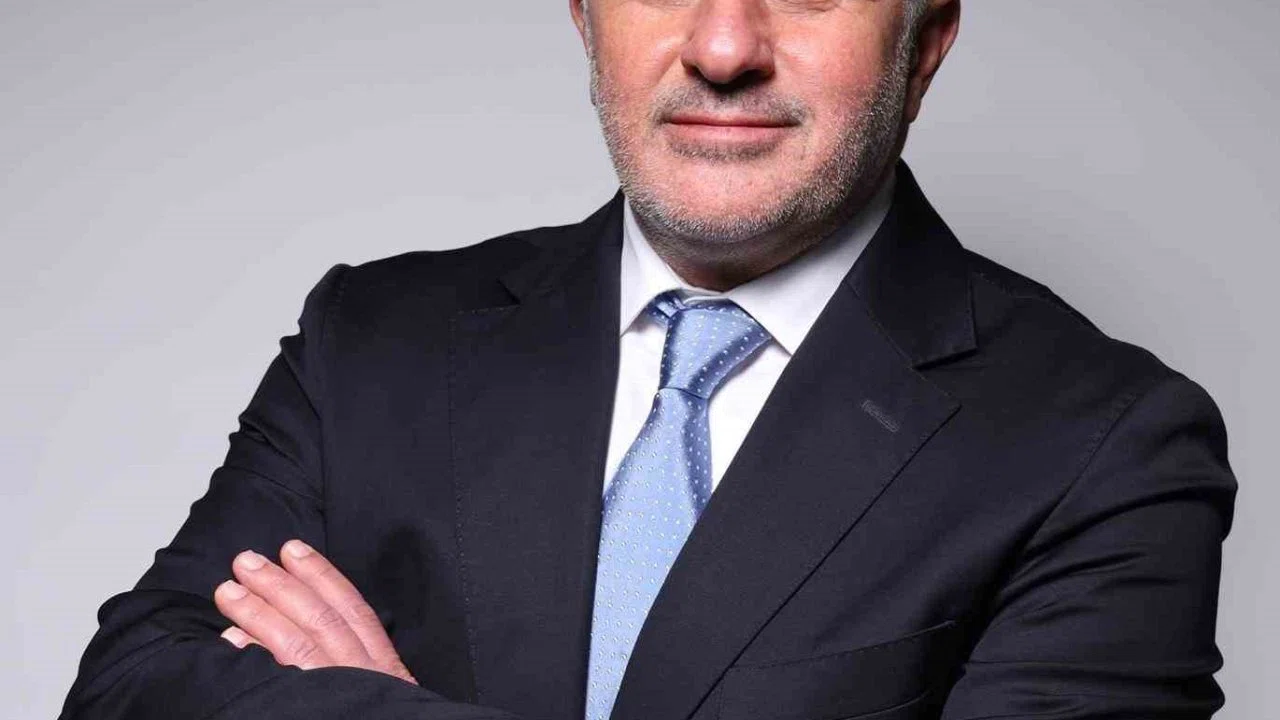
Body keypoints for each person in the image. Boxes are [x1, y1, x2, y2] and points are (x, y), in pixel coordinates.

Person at [58, 1, 1237, 719]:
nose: (722, 48)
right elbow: (129, 688)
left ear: (923, 43)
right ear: (584, 17)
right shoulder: (372, 337)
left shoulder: (1105, 445)